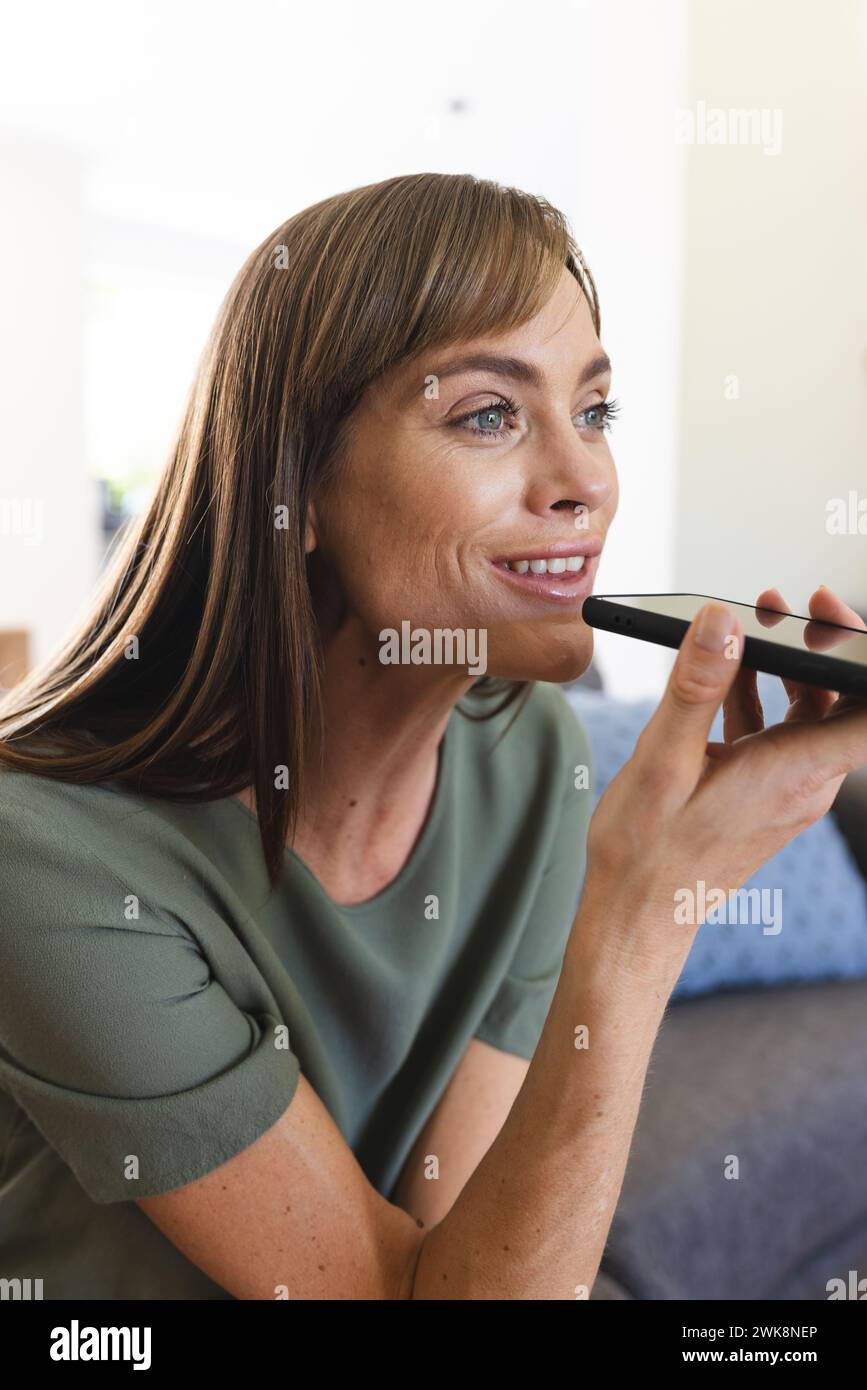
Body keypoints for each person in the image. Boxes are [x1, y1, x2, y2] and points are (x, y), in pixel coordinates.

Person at [1, 172, 865, 1300]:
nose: (586, 480)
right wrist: (649, 911)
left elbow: (462, 1262)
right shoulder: (49, 856)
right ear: (293, 489)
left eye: (593, 410)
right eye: (489, 414)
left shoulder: (533, 759)